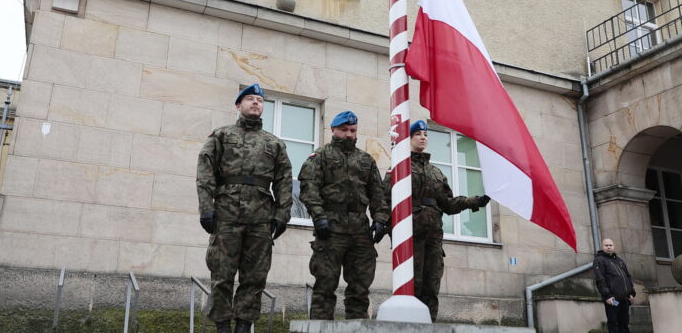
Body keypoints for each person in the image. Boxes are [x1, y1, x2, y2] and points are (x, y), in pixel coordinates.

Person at [196, 83, 293, 333]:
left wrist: (282, 214)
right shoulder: (222, 135)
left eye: (259, 100)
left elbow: (284, 180)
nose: (255, 103)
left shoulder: (274, 143)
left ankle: (243, 325)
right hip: (226, 216)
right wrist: (207, 209)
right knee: (222, 275)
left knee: (255, 277)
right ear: (239, 105)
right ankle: (222, 326)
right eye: (250, 99)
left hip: (261, 219)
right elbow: (205, 174)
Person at [384, 120, 490, 322]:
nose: (423, 137)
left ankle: (429, 325)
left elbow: (448, 205)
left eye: (425, 134)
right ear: (408, 138)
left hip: (434, 239)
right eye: (418, 134)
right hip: (411, 238)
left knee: (431, 287)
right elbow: (385, 200)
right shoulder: (399, 167)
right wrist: (391, 230)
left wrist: (474, 201)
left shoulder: (436, 173)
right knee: (411, 286)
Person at [298, 110, 390, 320]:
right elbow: (308, 188)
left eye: (353, 130)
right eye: (344, 130)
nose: (349, 134)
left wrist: (380, 220)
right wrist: (319, 216)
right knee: (325, 284)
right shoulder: (320, 156)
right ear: (333, 130)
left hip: (360, 231)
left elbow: (377, 193)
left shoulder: (365, 160)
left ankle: (356, 327)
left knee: (360, 287)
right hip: (331, 229)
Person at [593, 238, 636, 333]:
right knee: (614, 324)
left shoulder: (619, 260)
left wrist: (631, 293)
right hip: (613, 300)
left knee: (624, 324)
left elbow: (628, 277)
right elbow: (600, 279)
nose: (608, 247)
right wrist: (607, 296)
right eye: (606, 245)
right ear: (602, 247)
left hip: (625, 299)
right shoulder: (599, 260)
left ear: (614, 246)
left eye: (610, 245)